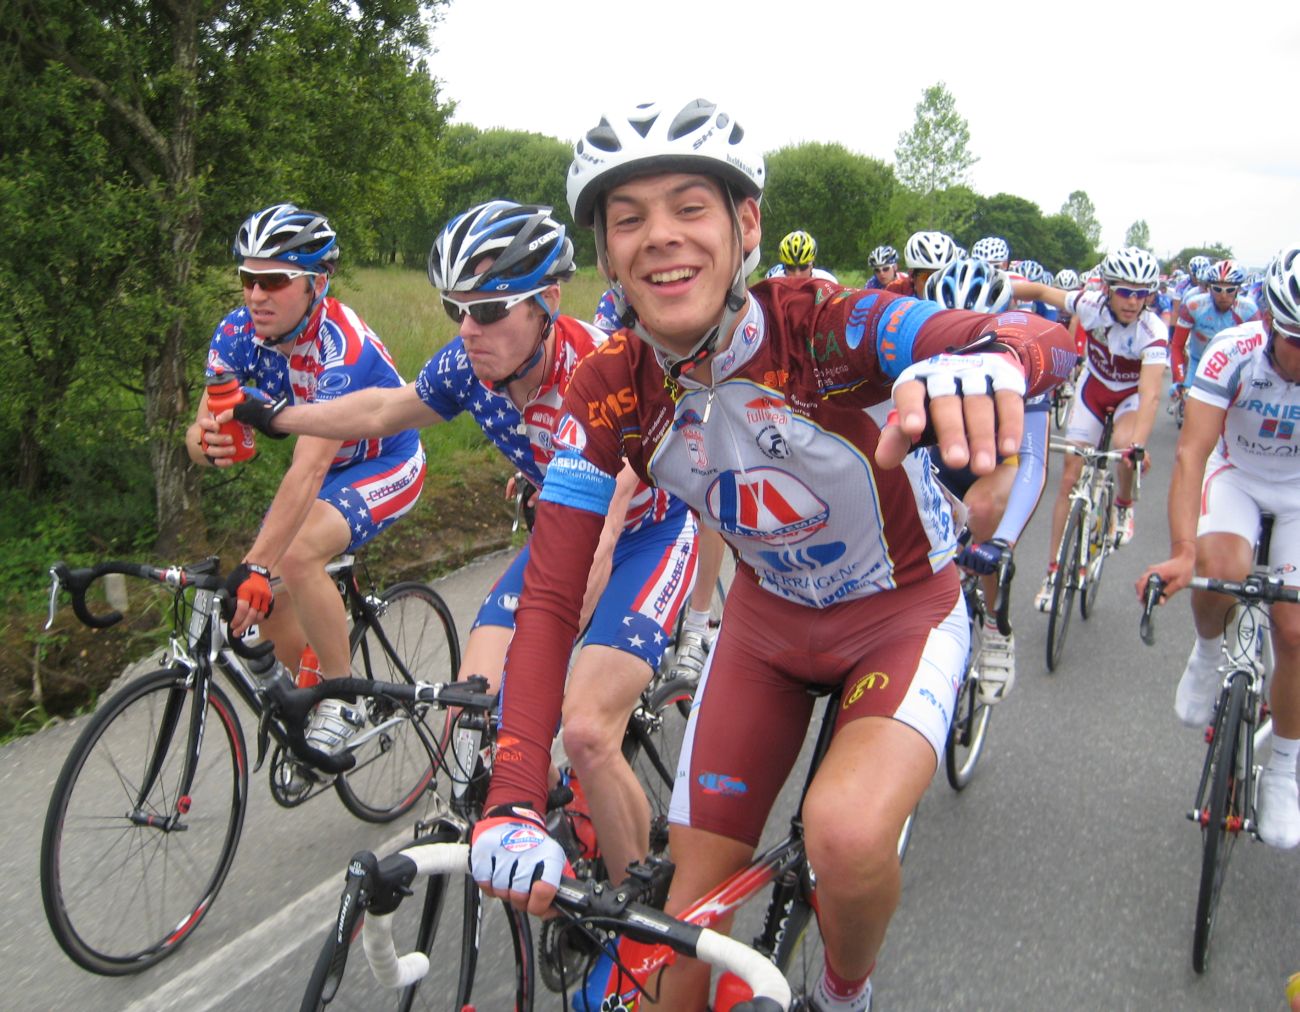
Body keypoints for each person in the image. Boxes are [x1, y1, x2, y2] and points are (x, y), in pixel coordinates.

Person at [466, 96, 1075, 1012]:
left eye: (690, 207)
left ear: (746, 225)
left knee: (845, 834)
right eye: (628, 220)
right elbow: (551, 597)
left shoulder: (819, 326)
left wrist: (1000, 358)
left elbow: (1030, 338)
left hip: (898, 614)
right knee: (680, 942)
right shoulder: (609, 390)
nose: (660, 236)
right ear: (607, 257)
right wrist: (514, 791)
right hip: (766, 632)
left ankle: (843, 989)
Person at [230, 200, 697, 883]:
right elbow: (385, 407)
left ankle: (633, 914)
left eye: (489, 310)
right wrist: (281, 418)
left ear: (547, 303)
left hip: (643, 537)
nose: (469, 330)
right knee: (472, 704)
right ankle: (540, 811)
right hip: (564, 533)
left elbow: (598, 549)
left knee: (586, 732)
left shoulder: (598, 373)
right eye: (456, 310)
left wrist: (542, 677)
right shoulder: (468, 367)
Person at [187, 203, 426, 754]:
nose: (256, 295)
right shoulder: (236, 332)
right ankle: (313, 686)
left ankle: (342, 697)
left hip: (386, 461)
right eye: (248, 278)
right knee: (267, 602)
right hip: (321, 471)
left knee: (290, 557)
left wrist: (256, 563)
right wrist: (208, 443)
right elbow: (197, 431)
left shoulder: (341, 346)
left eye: (274, 280)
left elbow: (310, 465)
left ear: (317, 283)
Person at [1136, 244, 1300, 850]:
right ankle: (1208, 654)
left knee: (1294, 630)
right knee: (1219, 568)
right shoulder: (1235, 350)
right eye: (1297, 341)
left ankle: (1283, 770)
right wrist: (1184, 550)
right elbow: (1191, 453)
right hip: (1239, 475)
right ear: (1273, 324)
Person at [924, 258, 1055, 703]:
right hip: (937, 461)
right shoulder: (911, 349)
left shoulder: (1026, 360)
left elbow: (1034, 460)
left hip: (998, 462)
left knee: (980, 512)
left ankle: (997, 627)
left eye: (977, 336)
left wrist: (1003, 543)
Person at [1014, 246, 1168, 609]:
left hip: (1130, 398)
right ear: (1109, 288)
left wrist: (1139, 446)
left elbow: (1150, 396)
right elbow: (1041, 291)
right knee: (1069, 477)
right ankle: (1053, 573)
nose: (1133, 301)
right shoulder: (1088, 305)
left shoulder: (1153, 331)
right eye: (1125, 291)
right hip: (1093, 390)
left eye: (1142, 293)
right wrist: (998, 284)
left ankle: (1123, 504)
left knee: (1126, 448)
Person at [1169, 258, 1258, 391]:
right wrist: (1179, 380)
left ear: (1238, 290)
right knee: (1186, 396)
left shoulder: (1249, 311)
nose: (1223, 296)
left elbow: (1258, 353)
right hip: (1198, 364)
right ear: (1209, 288)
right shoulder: (1193, 306)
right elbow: (1177, 346)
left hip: (1233, 370)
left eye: (1230, 290)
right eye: (1217, 289)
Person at [897, 230, 958, 298]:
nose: (936, 287)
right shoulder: (900, 298)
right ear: (912, 277)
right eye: (927, 277)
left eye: (944, 277)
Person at [765, 229, 839, 282]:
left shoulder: (827, 281)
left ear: (812, 265)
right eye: (791, 267)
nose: (797, 274)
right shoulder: (773, 283)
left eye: (803, 267)